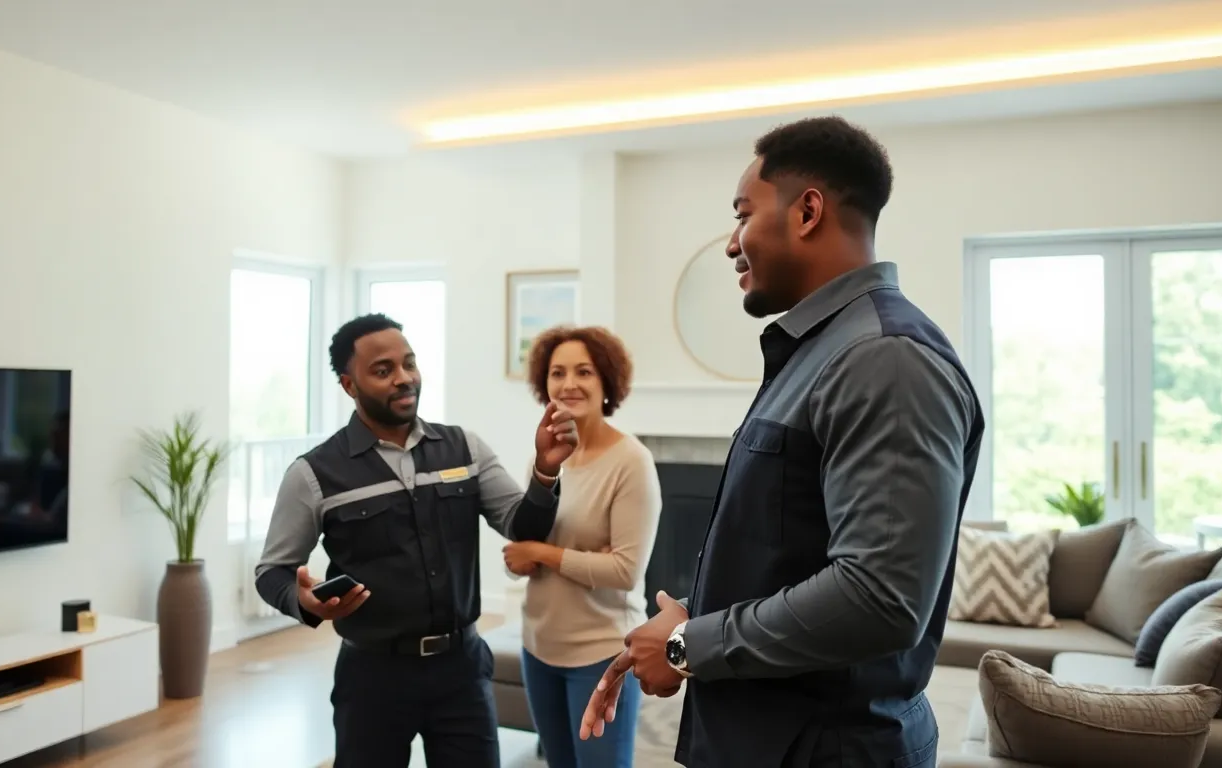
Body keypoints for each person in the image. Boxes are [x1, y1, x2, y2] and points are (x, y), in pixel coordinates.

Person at [580, 116, 985, 767]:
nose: (731, 244)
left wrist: (689, 646)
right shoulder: (820, 352)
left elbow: (879, 598)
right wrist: (690, 615)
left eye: (742, 215)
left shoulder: (885, 359)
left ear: (807, 212)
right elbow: (790, 545)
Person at [254, 312, 578, 768]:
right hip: (372, 679)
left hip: (462, 670)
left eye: (409, 363)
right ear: (349, 385)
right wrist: (304, 602)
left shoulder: (464, 448)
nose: (403, 378)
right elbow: (271, 571)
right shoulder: (313, 473)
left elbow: (522, 527)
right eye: (383, 370)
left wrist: (545, 470)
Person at [500, 326, 661, 768]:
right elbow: (520, 549)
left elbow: (624, 571)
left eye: (583, 372)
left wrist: (542, 555)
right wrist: (528, 559)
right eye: (558, 372)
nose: (568, 383)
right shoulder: (545, 458)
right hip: (539, 647)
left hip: (601, 654)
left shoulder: (631, 462)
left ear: (607, 381)